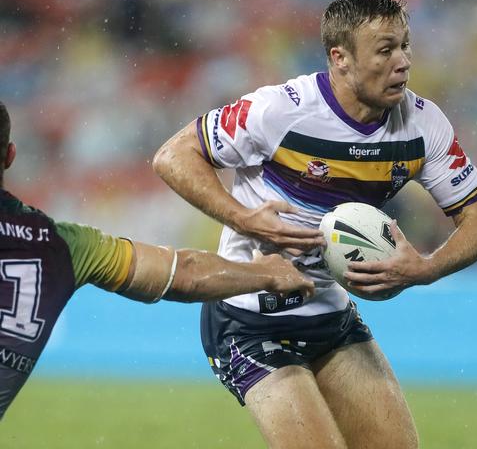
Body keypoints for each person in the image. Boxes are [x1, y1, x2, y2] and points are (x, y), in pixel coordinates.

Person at [154, 0, 477, 449]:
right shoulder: (279, 110)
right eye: (385, 50)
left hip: (329, 314)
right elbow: (172, 156)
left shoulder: (422, 126)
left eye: (405, 46)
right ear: (340, 58)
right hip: (249, 316)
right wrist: (242, 216)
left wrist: (423, 269)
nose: (402, 62)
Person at [0, 101, 314, 421]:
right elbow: (183, 275)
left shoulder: (66, 245)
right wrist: (264, 273)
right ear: (11, 156)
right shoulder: (64, 245)